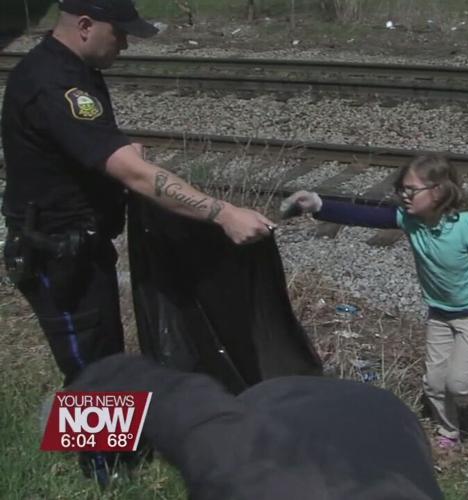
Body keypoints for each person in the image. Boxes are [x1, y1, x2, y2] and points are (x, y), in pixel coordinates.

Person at [1, 0, 274, 483]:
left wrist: (119, 155)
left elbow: (93, 145)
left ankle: (114, 454)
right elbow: (137, 176)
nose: (125, 44)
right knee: (90, 366)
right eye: (119, 33)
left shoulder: (74, 69)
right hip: (54, 252)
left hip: (80, 245)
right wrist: (223, 212)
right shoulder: (53, 82)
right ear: (85, 26)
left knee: (104, 352)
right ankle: (103, 475)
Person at [281, 155, 468, 449]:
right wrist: (317, 204)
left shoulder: (466, 226)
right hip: (439, 312)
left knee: (460, 383)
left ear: (438, 191)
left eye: (411, 189)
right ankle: (449, 432)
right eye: (402, 188)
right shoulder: (408, 218)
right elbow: (361, 216)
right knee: (434, 382)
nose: (404, 195)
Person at [68, 354, 445, 499]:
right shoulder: (246, 471)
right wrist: (73, 417)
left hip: (390, 419)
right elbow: (168, 394)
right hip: (288, 401)